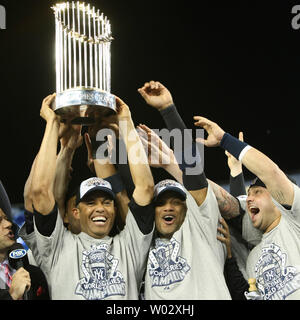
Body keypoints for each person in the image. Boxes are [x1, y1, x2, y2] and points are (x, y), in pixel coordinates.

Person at [25, 93, 155, 300]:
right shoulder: (58, 246)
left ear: (114, 209)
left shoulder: (130, 245)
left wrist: (126, 122)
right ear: (75, 212)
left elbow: (146, 188)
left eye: (106, 202)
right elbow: (40, 191)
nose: (100, 208)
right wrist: (52, 123)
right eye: (90, 202)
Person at [138, 81, 231, 299]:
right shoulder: (142, 244)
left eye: (176, 201)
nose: (168, 207)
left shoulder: (200, 228)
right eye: (160, 203)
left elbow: (193, 170)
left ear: (187, 207)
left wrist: (167, 110)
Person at [194, 115, 300, 300]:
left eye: (257, 192)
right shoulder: (253, 258)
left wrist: (224, 140)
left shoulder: (294, 219)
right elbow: (234, 206)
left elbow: (271, 172)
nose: (249, 199)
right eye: (249, 194)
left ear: (277, 198)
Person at [0, 181, 49, 300]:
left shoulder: (34, 274)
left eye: (7, 219)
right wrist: (12, 296)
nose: (8, 224)